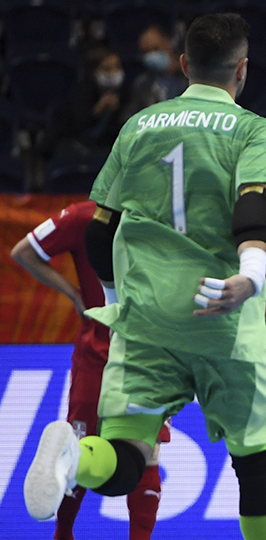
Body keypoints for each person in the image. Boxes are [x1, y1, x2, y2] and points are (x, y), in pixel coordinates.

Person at [23, 13, 266, 540]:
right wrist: (251, 276)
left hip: (145, 323)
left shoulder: (137, 126)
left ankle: (77, 457)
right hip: (221, 318)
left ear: (183, 64)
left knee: (125, 457)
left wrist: (122, 302)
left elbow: (100, 233)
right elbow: (253, 207)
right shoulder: (255, 130)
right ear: (242, 70)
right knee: (255, 460)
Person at [12, 201, 167, 540]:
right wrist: (74, 294)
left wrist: (76, 296)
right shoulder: (159, 215)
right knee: (144, 450)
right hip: (142, 354)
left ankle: (62, 535)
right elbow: (23, 252)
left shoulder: (92, 216)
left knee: (81, 447)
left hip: (125, 353)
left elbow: (22, 252)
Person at [46, 46, 132, 158]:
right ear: (94, 72)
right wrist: (98, 110)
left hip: (107, 148)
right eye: (107, 69)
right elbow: (77, 126)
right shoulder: (81, 92)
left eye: (117, 67)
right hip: (74, 146)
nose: (114, 73)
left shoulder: (124, 93)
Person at [121, 25, 188, 121]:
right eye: (146, 52)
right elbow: (127, 118)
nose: (152, 56)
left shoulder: (189, 77)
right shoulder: (142, 83)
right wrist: (146, 114)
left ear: (168, 44)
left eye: (156, 49)